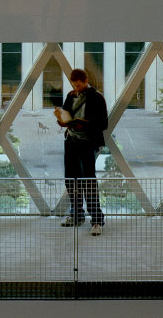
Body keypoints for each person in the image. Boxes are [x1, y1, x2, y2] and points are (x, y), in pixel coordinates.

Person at [54, 68, 107, 234]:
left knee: (89, 181)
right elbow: (67, 114)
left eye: (79, 85)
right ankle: (76, 215)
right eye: (74, 85)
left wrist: (82, 124)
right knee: (71, 179)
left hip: (87, 143)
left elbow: (103, 124)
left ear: (85, 81)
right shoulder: (71, 96)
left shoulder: (97, 98)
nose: (77, 88)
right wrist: (62, 120)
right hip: (71, 141)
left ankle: (97, 220)